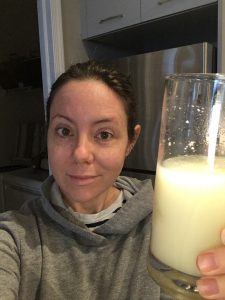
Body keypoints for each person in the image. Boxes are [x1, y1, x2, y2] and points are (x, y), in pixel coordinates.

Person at [0, 60, 225, 300]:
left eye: (104, 134)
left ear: (131, 141)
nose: (81, 153)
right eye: (64, 131)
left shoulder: (172, 220)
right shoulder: (14, 237)